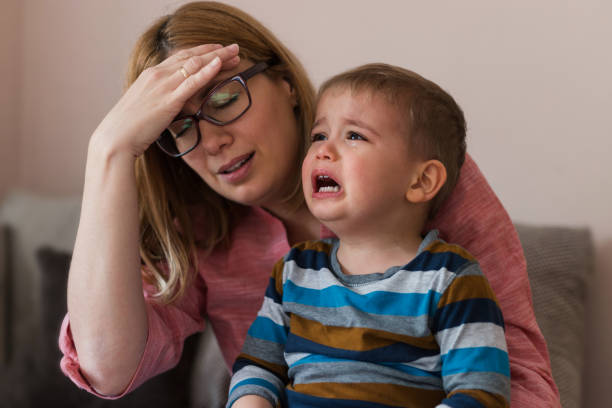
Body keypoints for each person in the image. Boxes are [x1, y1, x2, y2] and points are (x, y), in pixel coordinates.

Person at [59, 2, 559, 407]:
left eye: (223, 100)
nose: (211, 141)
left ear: (284, 83)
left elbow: (518, 378)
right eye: (182, 127)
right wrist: (108, 151)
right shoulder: (198, 231)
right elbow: (107, 368)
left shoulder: (411, 168)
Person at [227, 63, 510, 408]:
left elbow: (480, 393)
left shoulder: (450, 280)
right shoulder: (295, 271)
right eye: (319, 136)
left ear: (420, 181)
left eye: (354, 136)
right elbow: (257, 365)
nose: (323, 151)